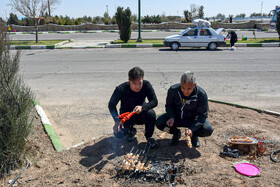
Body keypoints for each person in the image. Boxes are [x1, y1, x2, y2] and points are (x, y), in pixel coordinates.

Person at [156, 71, 213, 147]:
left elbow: (202, 116)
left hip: (192, 120)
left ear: (194, 85)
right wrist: (171, 116)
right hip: (176, 118)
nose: (185, 91)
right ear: (180, 84)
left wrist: (192, 128)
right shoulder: (173, 90)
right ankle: (176, 133)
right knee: (160, 123)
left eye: (189, 89)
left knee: (208, 129)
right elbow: (169, 106)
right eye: (183, 88)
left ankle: (193, 135)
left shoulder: (201, 94)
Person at [108, 67, 159, 148]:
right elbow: (111, 105)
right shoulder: (121, 88)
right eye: (134, 83)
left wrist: (142, 107)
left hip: (141, 114)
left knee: (151, 113)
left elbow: (154, 101)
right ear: (129, 80)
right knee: (118, 135)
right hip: (126, 116)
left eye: (140, 83)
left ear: (142, 79)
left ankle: (149, 136)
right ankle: (130, 131)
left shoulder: (146, 85)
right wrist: (116, 120)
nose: (138, 86)